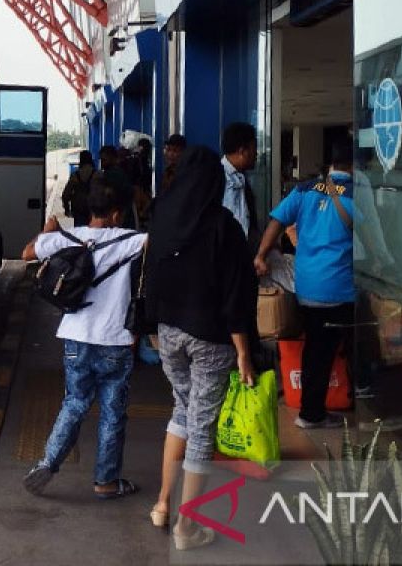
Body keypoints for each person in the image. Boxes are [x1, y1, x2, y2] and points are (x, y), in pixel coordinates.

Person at [144, 145, 258, 550]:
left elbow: (151, 273)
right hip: (210, 337)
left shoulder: (162, 215)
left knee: (182, 410)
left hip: (169, 331)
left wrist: (152, 330)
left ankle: (162, 504)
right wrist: (243, 350)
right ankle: (186, 527)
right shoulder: (222, 226)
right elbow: (236, 295)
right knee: (202, 427)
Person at [21, 182, 146, 500]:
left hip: (76, 335)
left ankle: (48, 462)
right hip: (115, 338)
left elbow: (27, 254)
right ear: (117, 213)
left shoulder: (66, 237)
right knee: (112, 412)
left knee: (74, 403)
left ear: (89, 210)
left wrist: (47, 230)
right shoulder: (132, 240)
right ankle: (106, 481)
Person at [254, 138, 356, 429]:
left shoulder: (304, 189)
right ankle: (312, 412)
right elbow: (374, 240)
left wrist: (261, 254)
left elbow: (276, 220)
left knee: (315, 346)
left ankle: (312, 408)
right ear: (353, 166)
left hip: (307, 286)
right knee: (330, 348)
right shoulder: (357, 194)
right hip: (339, 288)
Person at [220, 122, 260, 251]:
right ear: (242, 151)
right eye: (254, 149)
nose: (256, 154)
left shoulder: (240, 177)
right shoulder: (219, 178)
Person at [99, 144, 136, 228]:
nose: (101, 162)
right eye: (101, 159)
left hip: (119, 215)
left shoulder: (113, 174)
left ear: (112, 158)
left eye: (104, 159)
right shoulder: (119, 172)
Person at [61, 150, 100, 226]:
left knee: (80, 235)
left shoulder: (74, 175)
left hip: (79, 210)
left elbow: (65, 195)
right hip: (95, 211)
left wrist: (67, 209)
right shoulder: (98, 175)